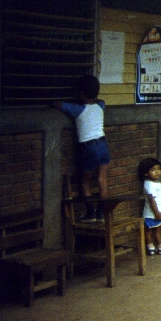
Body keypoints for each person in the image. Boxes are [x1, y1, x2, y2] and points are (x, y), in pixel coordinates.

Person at [51, 75, 110, 223]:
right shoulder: (100, 106)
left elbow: (58, 104)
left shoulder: (77, 109)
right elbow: (102, 101)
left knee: (84, 181)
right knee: (101, 179)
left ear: (81, 93)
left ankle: (90, 213)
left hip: (88, 147)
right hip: (103, 145)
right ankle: (101, 212)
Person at [139, 158, 161, 255]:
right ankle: (159, 248)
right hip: (152, 214)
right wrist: (157, 212)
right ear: (146, 173)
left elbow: (157, 195)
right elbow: (152, 199)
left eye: (158, 169)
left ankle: (152, 248)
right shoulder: (149, 184)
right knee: (153, 231)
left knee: (154, 230)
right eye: (153, 170)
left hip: (157, 213)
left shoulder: (156, 182)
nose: (157, 172)